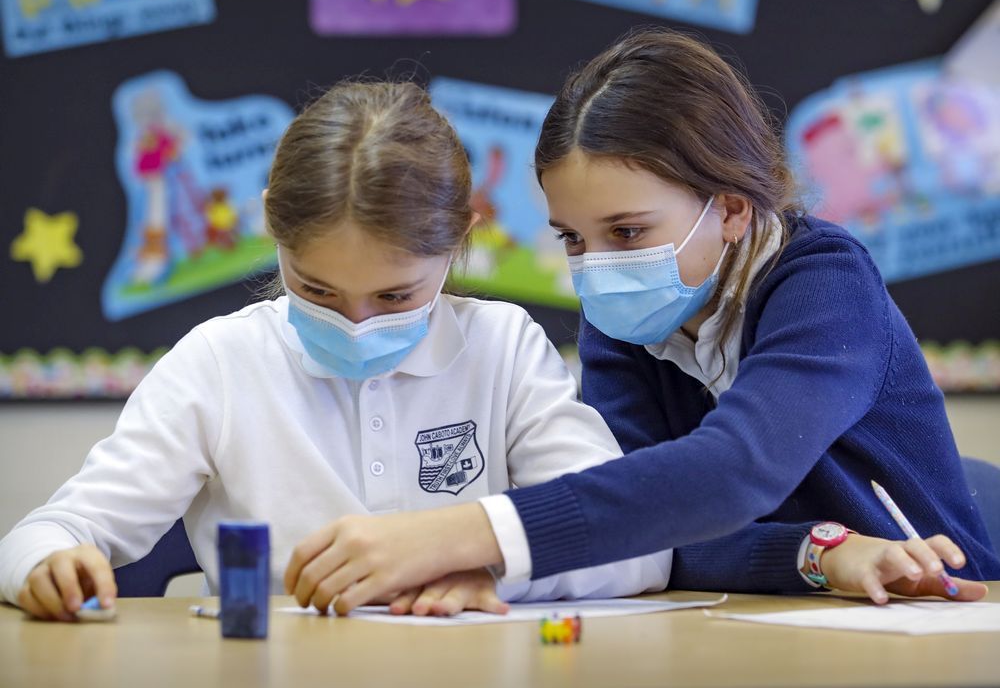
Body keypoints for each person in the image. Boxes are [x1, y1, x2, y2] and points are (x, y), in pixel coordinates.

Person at [281, 30, 998, 614]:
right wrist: (815, 553)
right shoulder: (626, 316)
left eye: (626, 233)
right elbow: (650, 536)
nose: (596, 268)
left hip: (939, 606)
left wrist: (467, 534)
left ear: (731, 209)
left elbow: (731, 472)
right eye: (572, 238)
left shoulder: (825, 284)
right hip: (775, 613)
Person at [0, 81, 673, 621]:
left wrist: (492, 566)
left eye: (394, 298)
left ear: (461, 238)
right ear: (272, 226)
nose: (355, 324)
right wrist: (46, 562)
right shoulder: (220, 363)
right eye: (317, 290)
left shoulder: (503, 348)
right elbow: (53, 529)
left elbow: (640, 546)